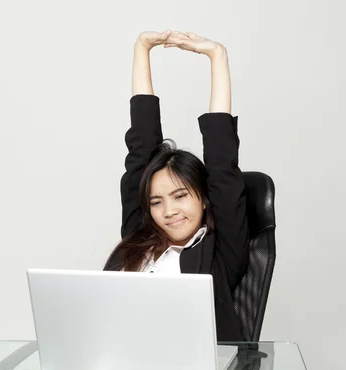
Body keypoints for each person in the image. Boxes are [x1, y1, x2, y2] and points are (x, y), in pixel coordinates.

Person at [104, 30, 249, 342]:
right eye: (156, 202)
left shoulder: (219, 252)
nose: (168, 211)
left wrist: (216, 56)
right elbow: (141, 149)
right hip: (117, 365)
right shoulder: (137, 235)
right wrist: (142, 48)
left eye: (180, 196)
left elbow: (223, 166)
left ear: (205, 198)